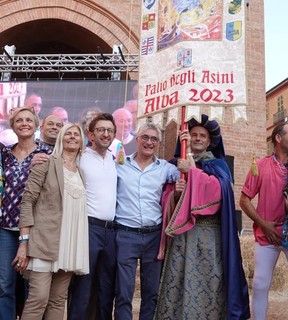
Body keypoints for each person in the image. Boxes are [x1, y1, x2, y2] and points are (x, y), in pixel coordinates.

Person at [154, 114, 250, 319]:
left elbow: (219, 191)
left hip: (209, 236)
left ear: (209, 141)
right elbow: (165, 200)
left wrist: (193, 172)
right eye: (193, 134)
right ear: (186, 139)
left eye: (202, 136)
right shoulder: (174, 166)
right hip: (181, 236)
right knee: (179, 278)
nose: (197, 138)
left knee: (208, 280)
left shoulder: (218, 165)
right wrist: (176, 194)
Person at [12, 123, 89, 320]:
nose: (72, 137)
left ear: (82, 142)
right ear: (61, 138)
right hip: (45, 242)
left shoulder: (81, 172)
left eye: (76, 134)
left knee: (57, 301)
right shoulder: (46, 162)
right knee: (38, 299)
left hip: (69, 244)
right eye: (68, 134)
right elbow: (28, 201)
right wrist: (24, 242)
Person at [239, 122, 288, 319]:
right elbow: (244, 199)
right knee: (260, 284)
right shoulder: (261, 165)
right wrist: (263, 224)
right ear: (278, 139)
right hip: (267, 236)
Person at [114, 123, 179, 320]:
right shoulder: (119, 164)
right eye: (145, 137)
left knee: (151, 293)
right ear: (137, 139)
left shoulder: (166, 168)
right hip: (125, 234)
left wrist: (186, 171)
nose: (149, 142)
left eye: (153, 139)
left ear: (158, 143)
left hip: (153, 235)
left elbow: (189, 176)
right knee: (124, 292)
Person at [0, 107, 52, 320]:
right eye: (19, 120)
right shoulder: (4, 154)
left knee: (33, 287)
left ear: (37, 125)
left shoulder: (47, 154)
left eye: (29, 120)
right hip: (6, 227)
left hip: (35, 227)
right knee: (4, 284)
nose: (24, 123)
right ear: (12, 126)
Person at [69, 113, 117, 320]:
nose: (106, 134)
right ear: (90, 133)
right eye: (101, 130)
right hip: (88, 228)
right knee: (83, 286)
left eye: (110, 131)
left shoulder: (114, 160)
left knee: (106, 288)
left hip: (112, 231)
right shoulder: (80, 157)